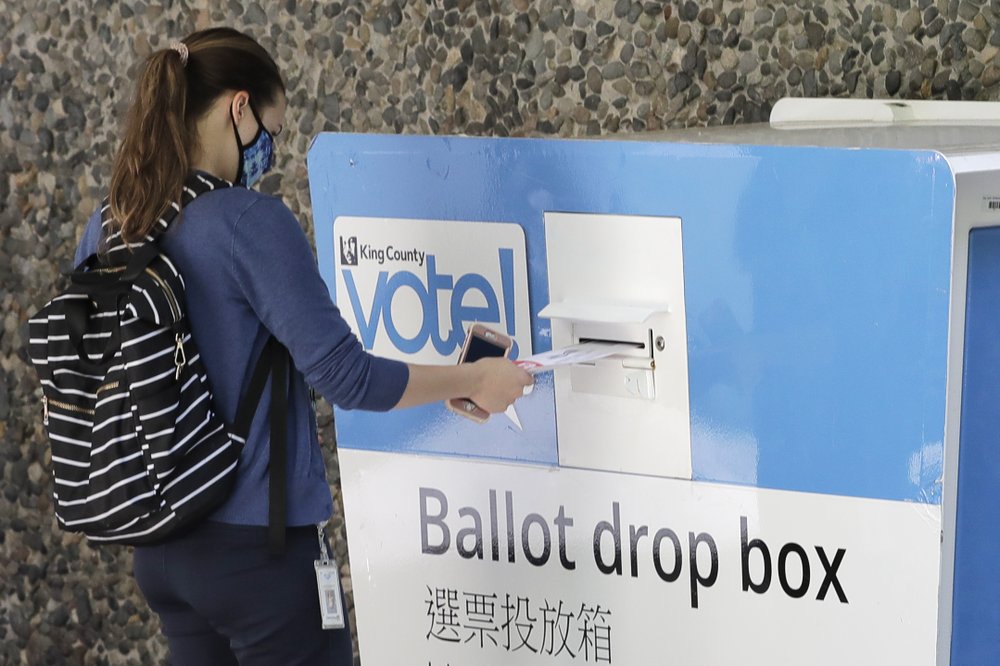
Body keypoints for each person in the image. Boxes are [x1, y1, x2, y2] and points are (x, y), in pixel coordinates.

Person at [73, 27, 533, 665]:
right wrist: (476, 381)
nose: (270, 150)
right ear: (240, 107)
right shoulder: (245, 222)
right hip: (258, 556)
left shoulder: (110, 224)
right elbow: (347, 377)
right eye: (273, 130)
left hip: (161, 550)